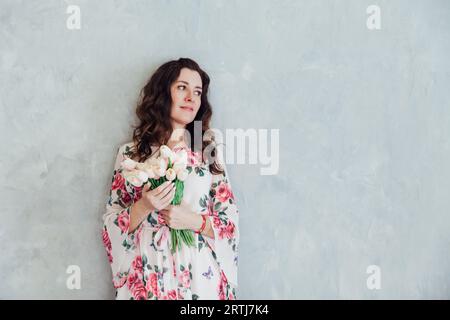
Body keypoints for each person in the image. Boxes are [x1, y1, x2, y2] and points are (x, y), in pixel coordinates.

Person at [101, 58, 239, 300]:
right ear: (164, 92)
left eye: (197, 92)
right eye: (182, 87)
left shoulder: (207, 152)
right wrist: (144, 206)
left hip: (199, 280)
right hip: (148, 276)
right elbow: (110, 224)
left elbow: (230, 222)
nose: (191, 98)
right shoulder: (131, 155)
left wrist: (193, 221)